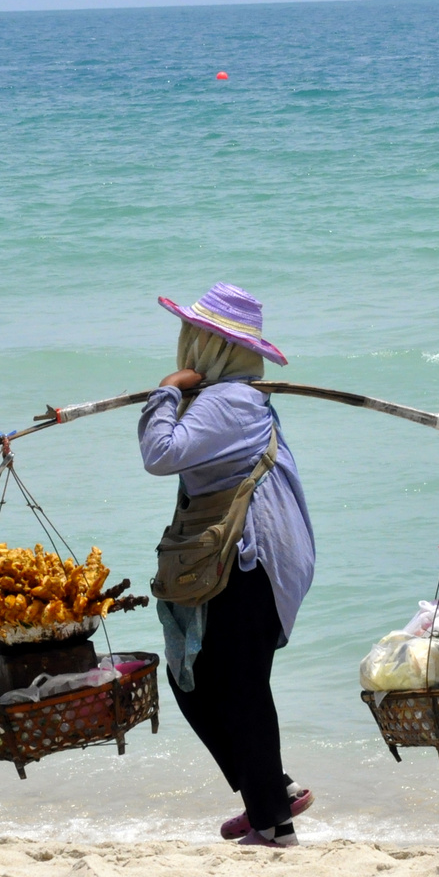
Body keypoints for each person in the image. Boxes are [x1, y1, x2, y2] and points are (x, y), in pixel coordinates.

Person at [138, 283, 317, 848]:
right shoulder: (239, 397)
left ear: (206, 343)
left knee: (223, 685)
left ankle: (272, 820)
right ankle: (270, 797)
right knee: (220, 682)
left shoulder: (228, 401)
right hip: (260, 560)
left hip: (247, 560)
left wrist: (165, 393)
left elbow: (160, 456)